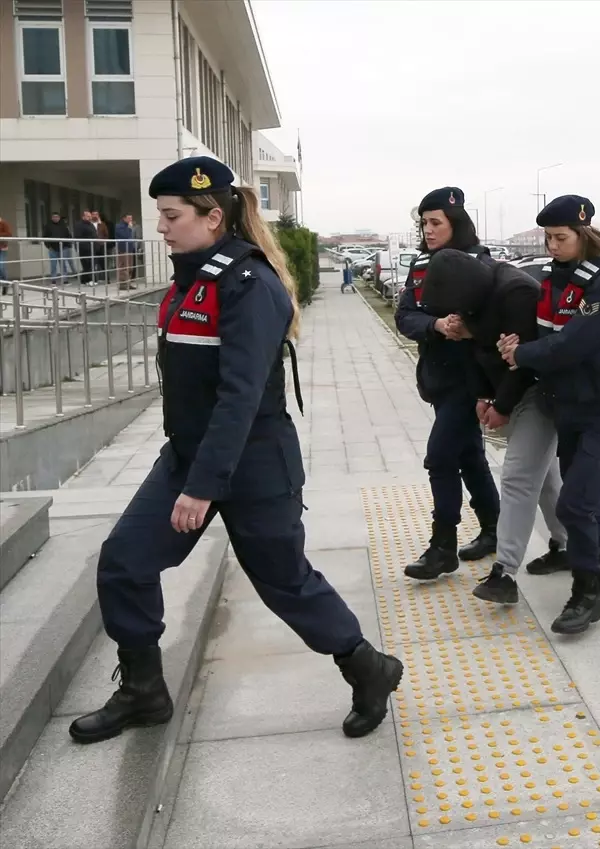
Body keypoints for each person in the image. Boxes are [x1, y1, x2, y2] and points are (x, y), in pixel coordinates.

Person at [68, 156, 403, 745]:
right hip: (188, 455)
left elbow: (240, 395)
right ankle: (143, 691)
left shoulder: (249, 285)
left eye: (171, 216)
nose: (162, 227)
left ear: (213, 216)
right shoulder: (191, 278)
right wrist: (190, 472)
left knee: (284, 582)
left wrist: (202, 485)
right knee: (124, 560)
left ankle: (367, 667)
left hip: (252, 462)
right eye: (161, 217)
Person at [498, 195, 600, 635]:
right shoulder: (556, 280)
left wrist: (525, 355)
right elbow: (542, 332)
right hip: (568, 406)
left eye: (560, 237)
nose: (552, 246)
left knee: (576, 504)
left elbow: (575, 342)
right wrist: (514, 348)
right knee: (585, 503)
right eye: (548, 238)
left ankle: (586, 592)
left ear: (584, 233)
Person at [419, 248, 569, 604]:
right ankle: (568, 545)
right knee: (545, 477)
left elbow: (524, 363)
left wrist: (500, 405)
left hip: (539, 389)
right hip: (504, 389)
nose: (455, 315)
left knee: (517, 476)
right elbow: (474, 355)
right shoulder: (470, 293)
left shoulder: (515, 293)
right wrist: (482, 396)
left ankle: (504, 572)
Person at [396, 187, 501, 580]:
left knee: (439, 456)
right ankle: (494, 525)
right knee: (468, 454)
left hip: (471, 378)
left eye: (435, 222)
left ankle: (443, 546)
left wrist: (469, 329)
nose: (428, 230)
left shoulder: (480, 262)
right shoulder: (420, 264)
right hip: (438, 376)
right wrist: (437, 325)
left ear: (455, 223)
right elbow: (405, 316)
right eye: (423, 222)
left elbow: (497, 317)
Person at [43, 212, 72, 284]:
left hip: (63, 248)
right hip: (52, 248)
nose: (55, 218)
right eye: (54, 217)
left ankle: (65, 279)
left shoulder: (64, 226)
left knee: (63, 264)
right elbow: (45, 237)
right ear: (52, 218)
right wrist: (48, 246)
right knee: (53, 265)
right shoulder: (48, 226)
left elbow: (68, 235)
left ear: (59, 218)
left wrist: (68, 245)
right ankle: (53, 279)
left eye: (57, 217)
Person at [116, 214, 137, 289]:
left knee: (130, 267)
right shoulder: (119, 226)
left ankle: (128, 283)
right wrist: (129, 228)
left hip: (130, 249)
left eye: (131, 218)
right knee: (124, 267)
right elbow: (125, 236)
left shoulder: (128, 226)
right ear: (124, 218)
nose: (130, 220)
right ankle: (123, 284)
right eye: (129, 218)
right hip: (123, 249)